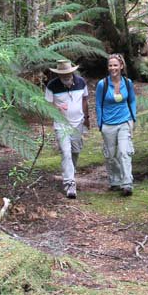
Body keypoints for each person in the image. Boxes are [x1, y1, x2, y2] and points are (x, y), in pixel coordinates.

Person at [45, 59, 90, 199]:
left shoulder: (81, 82)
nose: (65, 76)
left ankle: (70, 173)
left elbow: (85, 100)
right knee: (66, 152)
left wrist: (87, 118)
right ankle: (70, 183)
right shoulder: (52, 85)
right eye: (63, 74)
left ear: (72, 72)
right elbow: (47, 105)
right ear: (58, 74)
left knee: (75, 151)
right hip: (61, 125)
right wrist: (57, 107)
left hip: (77, 124)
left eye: (68, 74)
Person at [95, 53, 137, 196]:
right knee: (111, 155)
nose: (113, 68)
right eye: (110, 65)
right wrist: (100, 123)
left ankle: (127, 183)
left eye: (115, 65)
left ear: (121, 66)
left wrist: (133, 117)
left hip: (124, 121)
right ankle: (115, 180)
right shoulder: (103, 84)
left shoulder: (127, 82)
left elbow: (132, 100)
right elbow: (98, 104)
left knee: (124, 152)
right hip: (108, 124)